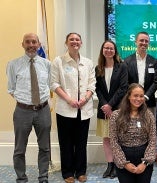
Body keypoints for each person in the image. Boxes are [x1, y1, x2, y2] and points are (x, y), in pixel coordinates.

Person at [50, 32, 96, 183]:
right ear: (66, 43)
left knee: (81, 143)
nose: (74, 42)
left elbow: (91, 83)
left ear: (81, 43)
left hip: (84, 109)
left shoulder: (88, 63)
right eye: (71, 39)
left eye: (77, 39)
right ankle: (68, 173)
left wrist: (85, 99)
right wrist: (69, 100)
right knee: (66, 143)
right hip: (65, 109)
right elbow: (54, 84)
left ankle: (81, 171)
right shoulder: (58, 61)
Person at [6, 33, 51, 183]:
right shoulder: (13, 64)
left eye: (34, 42)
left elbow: (49, 85)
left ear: (38, 45)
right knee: (19, 149)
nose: (31, 44)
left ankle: (43, 177)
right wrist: (26, 102)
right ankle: (21, 178)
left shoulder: (46, 64)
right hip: (22, 111)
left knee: (44, 147)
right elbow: (11, 89)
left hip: (43, 110)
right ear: (23, 44)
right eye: (28, 42)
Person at [109, 83, 157, 183]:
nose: (138, 99)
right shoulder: (115, 115)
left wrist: (145, 162)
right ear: (128, 96)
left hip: (144, 158)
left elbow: (153, 140)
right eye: (135, 95)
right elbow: (113, 141)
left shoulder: (149, 115)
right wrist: (124, 163)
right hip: (124, 156)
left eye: (141, 96)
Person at [95, 40, 128, 179]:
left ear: (115, 51)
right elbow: (96, 88)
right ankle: (109, 165)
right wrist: (105, 105)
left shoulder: (122, 66)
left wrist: (111, 105)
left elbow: (123, 88)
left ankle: (117, 165)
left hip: (118, 108)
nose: (109, 50)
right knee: (107, 138)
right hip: (103, 109)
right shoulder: (98, 68)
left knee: (117, 138)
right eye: (106, 48)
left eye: (111, 48)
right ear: (102, 50)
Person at [124, 31, 157, 115]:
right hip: (131, 102)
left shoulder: (153, 61)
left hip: (149, 102)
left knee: (149, 127)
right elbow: (125, 82)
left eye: (146, 41)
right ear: (136, 42)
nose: (144, 43)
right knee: (132, 127)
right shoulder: (127, 61)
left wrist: (145, 97)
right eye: (141, 40)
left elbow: (155, 82)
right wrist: (135, 96)